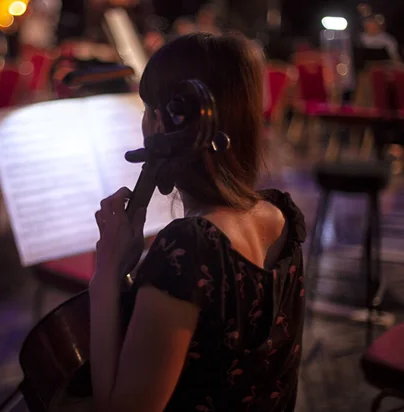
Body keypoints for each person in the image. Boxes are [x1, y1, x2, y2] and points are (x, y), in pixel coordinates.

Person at [90, 33, 306, 412]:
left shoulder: (190, 249)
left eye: (146, 109)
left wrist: (106, 274)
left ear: (160, 125)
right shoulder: (280, 215)